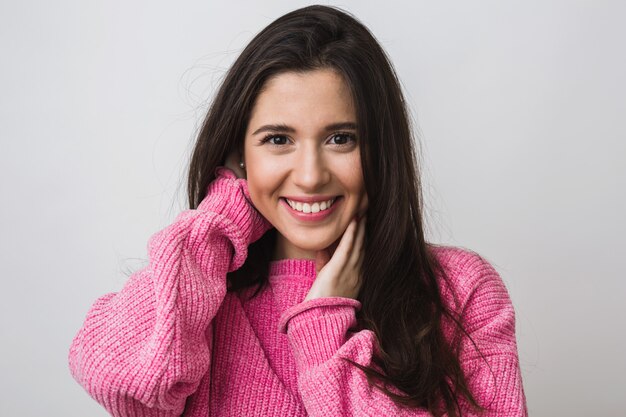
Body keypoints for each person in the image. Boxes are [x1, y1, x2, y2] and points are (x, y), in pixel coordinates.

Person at [69, 5, 528, 417]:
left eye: (340, 138)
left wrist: (323, 336)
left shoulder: (459, 292)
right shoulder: (200, 293)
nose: (310, 176)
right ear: (239, 153)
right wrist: (221, 220)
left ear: (380, 150)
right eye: (278, 139)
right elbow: (126, 386)